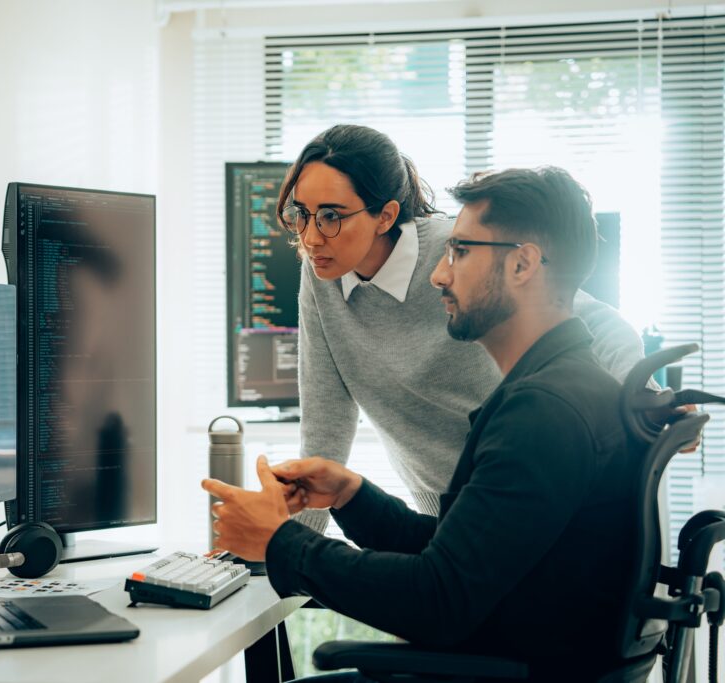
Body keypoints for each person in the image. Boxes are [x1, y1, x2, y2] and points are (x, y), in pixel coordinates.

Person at [203, 167, 636, 680]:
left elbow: (437, 598)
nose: (438, 275)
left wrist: (278, 542)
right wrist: (352, 497)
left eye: (460, 252)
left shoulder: (543, 412)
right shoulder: (561, 389)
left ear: (523, 264)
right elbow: (457, 555)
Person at [283, 124, 643, 520]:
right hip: (442, 508)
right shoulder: (322, 274)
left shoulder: (456, 252)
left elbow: (591, 320)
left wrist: (640, 397)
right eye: (301, 213)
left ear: (385, 216)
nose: (311, 237)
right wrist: (287, 554)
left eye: (331, 216)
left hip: (526, 491)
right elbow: (325, 422)